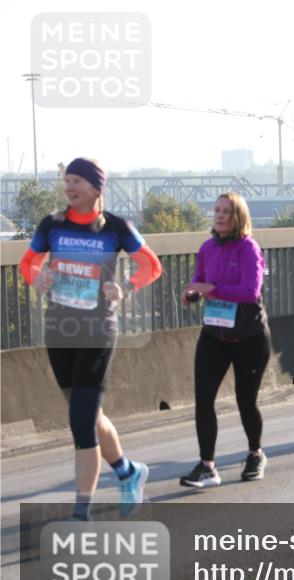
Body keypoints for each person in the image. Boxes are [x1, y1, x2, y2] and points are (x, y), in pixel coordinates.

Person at [18, 157, 163, 520]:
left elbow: (152, 265)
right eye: (66, 181)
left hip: (98, 330)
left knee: (81, 424)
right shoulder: (52, 224)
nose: (69, 188)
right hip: (59, 329)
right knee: (87, 413)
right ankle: (129, 472)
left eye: (76, 182)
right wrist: (36, 278)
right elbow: (28, 262)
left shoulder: (116, 227)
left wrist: (126, 286)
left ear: (97, 188)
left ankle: (81, 513)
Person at [180, 193, 271, 487]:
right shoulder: (207, 248)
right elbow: (201, 282)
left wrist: (210, 288)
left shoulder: (248, 248)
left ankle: (256, 453)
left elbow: (249, 292)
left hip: (250, 337)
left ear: (238, 217)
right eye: (216, 210)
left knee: (246, 401)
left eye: (225, 212)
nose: (218, 216)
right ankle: (207, 465)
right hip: (214, 335)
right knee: (203, 400)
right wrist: (193, 294)